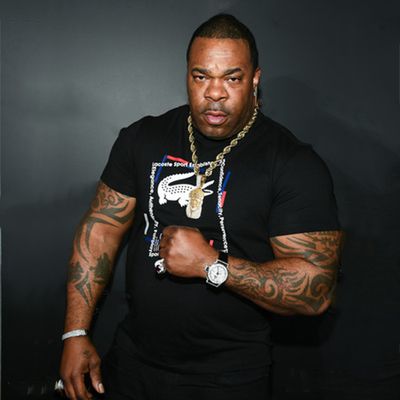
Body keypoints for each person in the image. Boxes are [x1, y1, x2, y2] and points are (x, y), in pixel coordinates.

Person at [59, 13, 342, 400]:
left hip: (228, 378)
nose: (215, 93)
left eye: (232, 78)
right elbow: (101, 229)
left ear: (255, 79)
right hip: (133, 362)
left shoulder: (292, 163)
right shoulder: (142, 137)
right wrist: (75, 332)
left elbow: (315, 290)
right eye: (201, 76)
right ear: (188, 76)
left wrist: (212, 266)